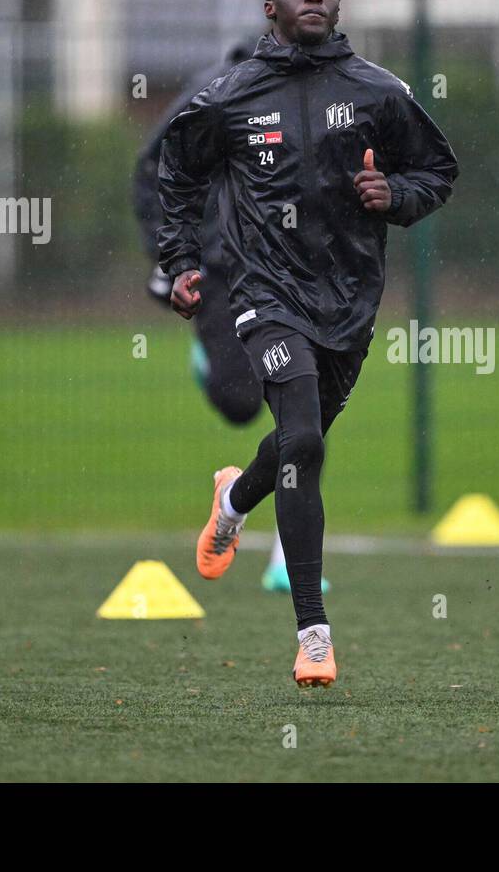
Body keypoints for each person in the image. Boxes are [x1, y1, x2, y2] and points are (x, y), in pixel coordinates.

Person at [157, 0, 458, 687]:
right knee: (302, 441)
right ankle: (313, 632)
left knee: (300, 445)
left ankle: (232, 500)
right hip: (263, 293)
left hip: (349, 301)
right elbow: (178, 172)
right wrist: (182, 262)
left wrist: (399, 195)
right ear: (272, 6)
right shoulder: (228, 96)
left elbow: (438, 170)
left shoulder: (379, 91)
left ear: (339, 3)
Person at [133, 38, 327, 595]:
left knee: (306, 411)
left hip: (295, 273)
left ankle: (291, 560)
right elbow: (152, 169)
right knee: (242, 404)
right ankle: (210, 367)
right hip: (223, 270)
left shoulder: (318, 102)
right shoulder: (208, 97)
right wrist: (168, 256)